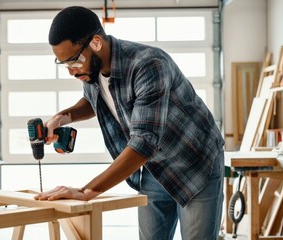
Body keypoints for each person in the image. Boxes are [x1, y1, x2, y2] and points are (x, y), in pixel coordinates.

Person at [34, 6, 225, 240]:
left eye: (73, 61)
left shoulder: (149, 65)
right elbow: (94, 99)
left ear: (95, 43)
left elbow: (144, 143)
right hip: (156, 167)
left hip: (195, 162)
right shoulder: (91, 70)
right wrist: (61, 117)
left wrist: (85, 191)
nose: (71, 71)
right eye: (64, 64)